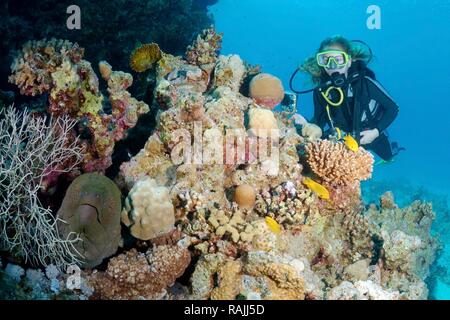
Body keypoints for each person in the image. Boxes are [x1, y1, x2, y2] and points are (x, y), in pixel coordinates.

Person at [296, 36, 402, 161]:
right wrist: (305, 125)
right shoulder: (321, 91)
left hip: (371, 131)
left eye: (338, 59)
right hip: (343, 136)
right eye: (326, 60)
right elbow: (319, 121)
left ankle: (394, 149)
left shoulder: (366, 83)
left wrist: (375, 132)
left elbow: (393, 108)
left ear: (349, 61)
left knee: (389, 157)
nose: (332, 65)